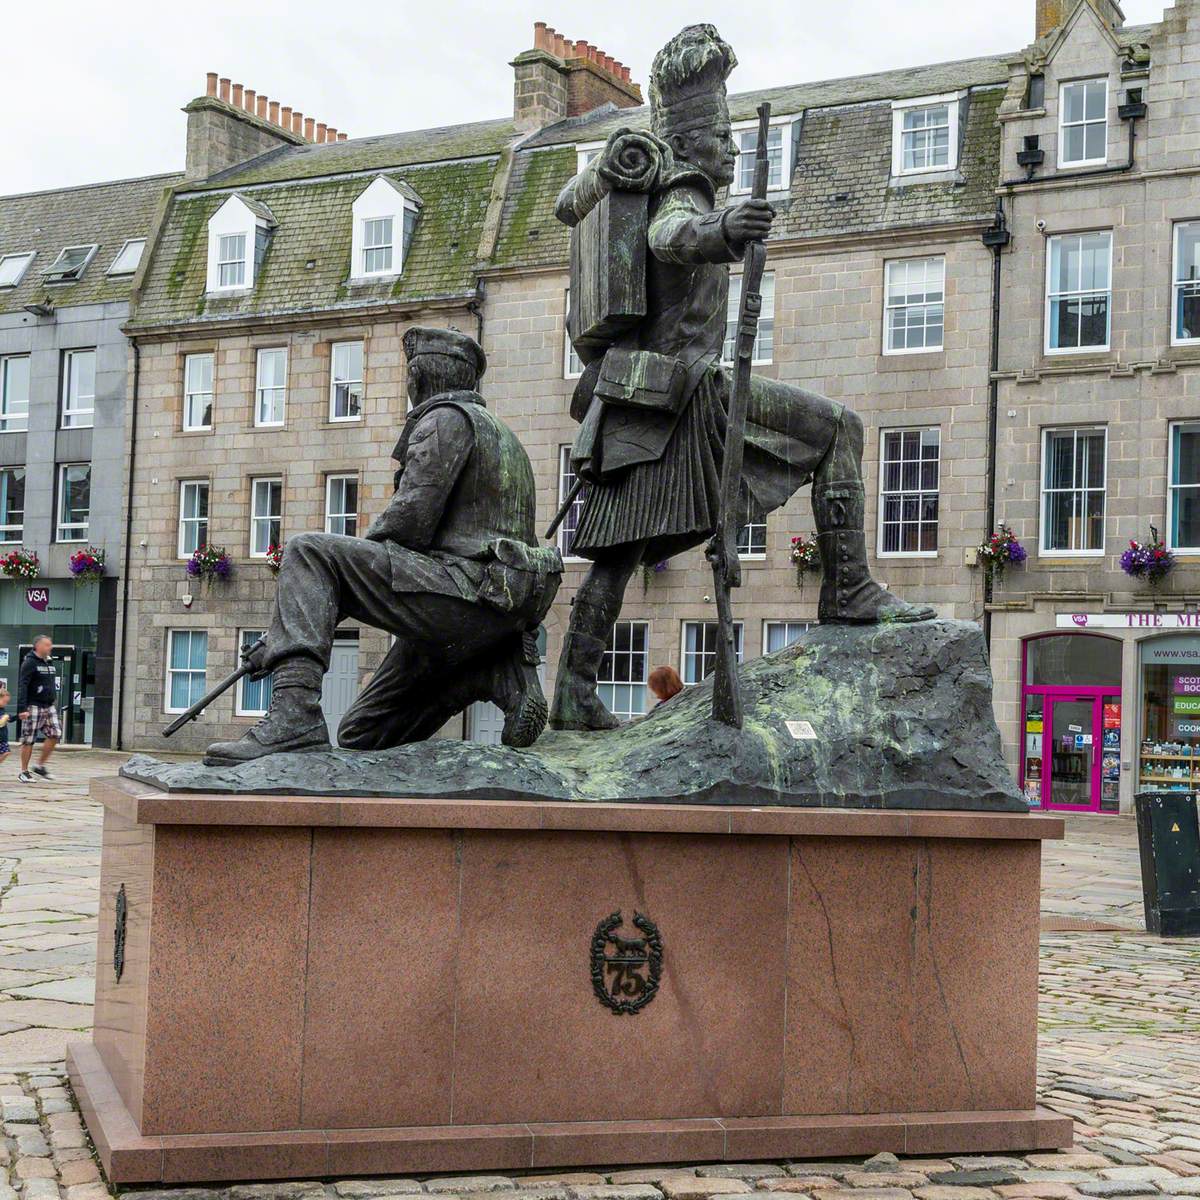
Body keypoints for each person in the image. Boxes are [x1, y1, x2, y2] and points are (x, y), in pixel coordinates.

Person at [549, 24, 933, 733]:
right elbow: (674, 233)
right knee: (838, 427)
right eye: (723, 136)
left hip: (645, 394)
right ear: (693, 143)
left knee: (620, 549)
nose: (731, 149)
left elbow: (595, 212)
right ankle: (847, 588)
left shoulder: (668, 177)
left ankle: (572, 685)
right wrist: (724, 230)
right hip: (687, 392)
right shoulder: (683, 184)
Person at [205, 327, 562, 766]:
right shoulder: (503, 435)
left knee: (308, 552)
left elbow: (410, 521)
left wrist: (339, 583)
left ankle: (293, 716)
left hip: (464, 592)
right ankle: (483, 672)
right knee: (362, 733)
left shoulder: (443, 419)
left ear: (417, 379)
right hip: (490, 610)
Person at [17, 635, 60, 783]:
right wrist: (22, 708)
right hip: (33, 705)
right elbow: (23, 685)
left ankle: (40, 766)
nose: (50, 647)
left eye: (50, 644)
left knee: (55, 734)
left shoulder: (49, 661)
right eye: (47, 645)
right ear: (38, 646)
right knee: (29, 739)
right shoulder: (29, 662)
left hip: (48, 705)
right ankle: (24, 771)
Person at [0, 685, 10, 771]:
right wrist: (4, 718)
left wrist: (18, 716)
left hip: (3, 737)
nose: (5, 704)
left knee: (6, 752)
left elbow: (9, 719)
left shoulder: (3, 709)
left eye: (7, 702)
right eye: (4, 701)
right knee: (6, 752)